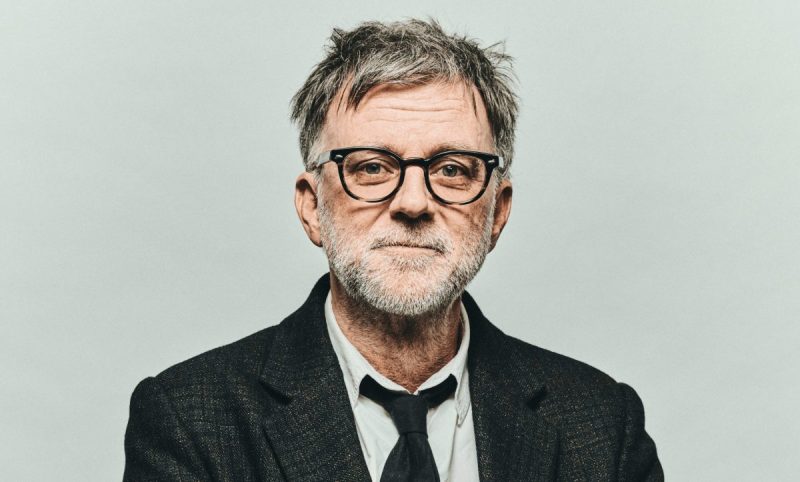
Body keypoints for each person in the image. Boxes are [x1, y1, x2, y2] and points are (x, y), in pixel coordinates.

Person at [124, 19, 663, 481]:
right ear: (312, 207)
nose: (412, 202)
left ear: (497, 212)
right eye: (371, 167)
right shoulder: (190, 421)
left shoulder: (602, 425)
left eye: (452, 169)